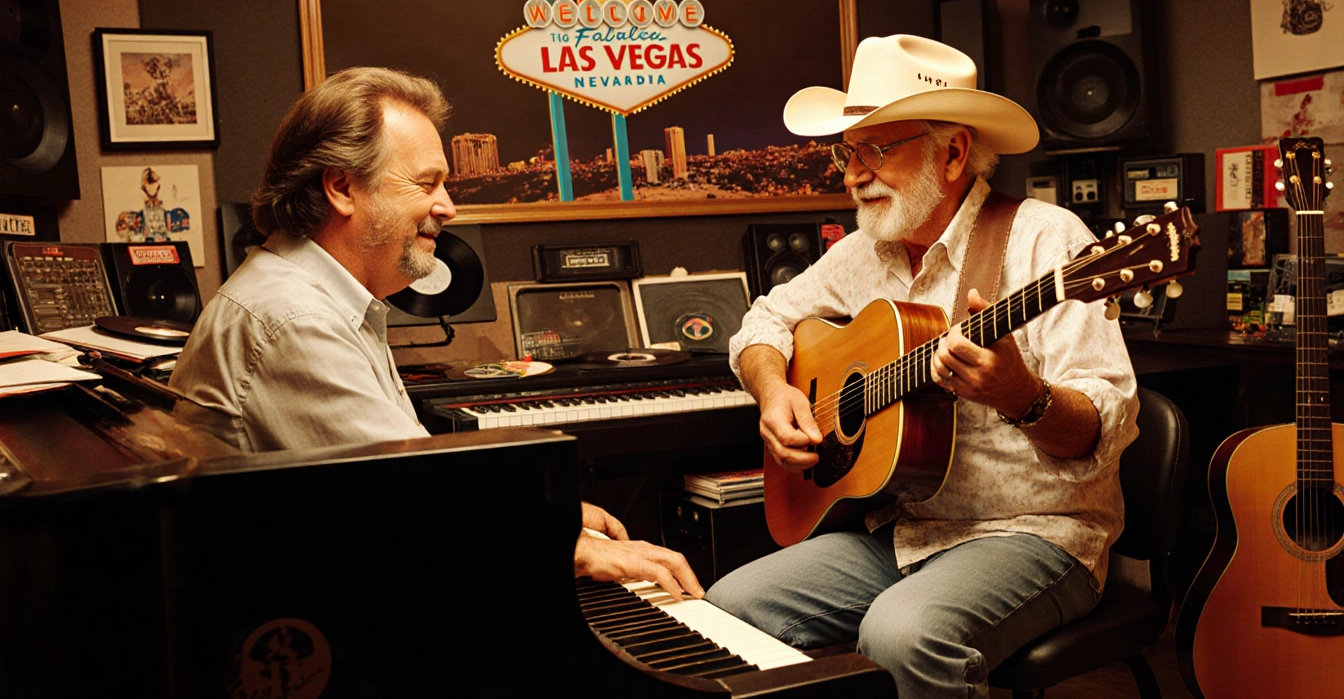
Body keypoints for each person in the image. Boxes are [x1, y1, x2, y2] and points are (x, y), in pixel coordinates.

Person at [704, 35, 1139, 696]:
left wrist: (1022, 397)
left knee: (903, 633)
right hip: (902, 529)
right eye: (847, 152)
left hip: (1036, 533)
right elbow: (762, 323)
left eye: (876, 150)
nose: (852, 175)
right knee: (727, 610)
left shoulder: (1047, 241)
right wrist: (772, 391)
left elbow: (1100, 433)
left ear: (954, 152)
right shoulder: (860, 254)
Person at [170, 66, 702, 599]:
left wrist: (535, 504)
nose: (448, 206)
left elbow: (412, 468)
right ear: (342, 187)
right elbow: (421, 501)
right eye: (426, 184)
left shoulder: (318, 298)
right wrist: (570, 541)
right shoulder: (293, 320)